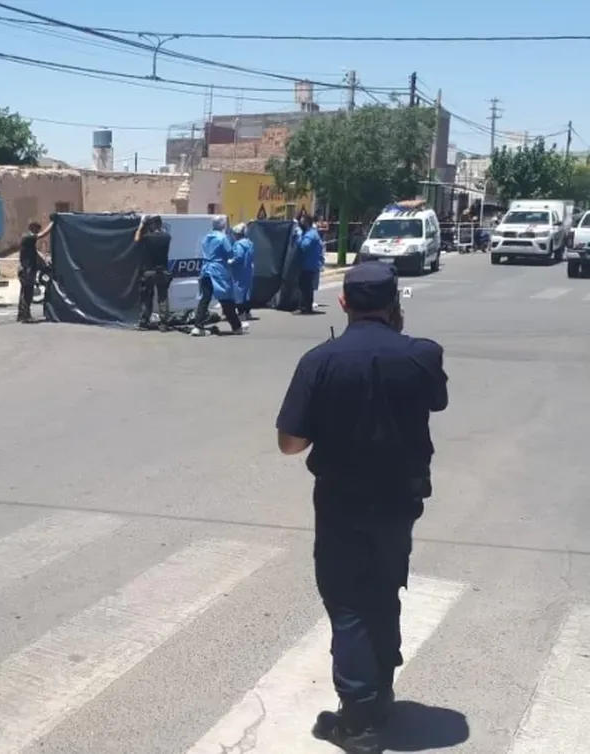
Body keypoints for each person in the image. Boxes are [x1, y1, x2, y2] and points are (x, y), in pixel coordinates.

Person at [274, 262, 448, 754]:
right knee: (384, 590)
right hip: (400, 500)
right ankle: (381, 694)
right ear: (395, 303)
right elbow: (437, 402)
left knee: (348, 604)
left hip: (342, 502)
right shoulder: (422, 355)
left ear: (344, 302)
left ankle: (359, 720)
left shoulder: (319, 361)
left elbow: (290, 443)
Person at [191, 216, 246, 336]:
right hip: (218, 270)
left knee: (204, 299)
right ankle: (236, 326)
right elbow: (230, 253)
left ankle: (198, 326)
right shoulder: (222, 238)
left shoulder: (206, 237)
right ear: (223, 225)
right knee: (225, 298)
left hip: (206, 269)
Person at [135, 215, 173, 331]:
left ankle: (143, 322)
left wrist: (141, 225)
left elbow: (136, 239)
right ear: (160, 225)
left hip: (149, 272)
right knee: (163, 298)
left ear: (152, 225)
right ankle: (164, 323)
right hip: (163, 271)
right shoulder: (167, 237)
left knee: (147, 297)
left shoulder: (147, 237)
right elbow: (165, 233)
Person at [18, 220, 52, 323]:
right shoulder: (28, 237)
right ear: (32, 228)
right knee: (27, 292)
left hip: (27, 269)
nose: (38, 232)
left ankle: (22, 315)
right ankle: (25, 315)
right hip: (26, 269)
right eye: (37, 229)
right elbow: (42, 235)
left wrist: (44, 261)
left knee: (25, 291)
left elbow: (35, 253)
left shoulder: (29, 241)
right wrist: (53, 223)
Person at [296, 213, 324, 314]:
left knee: (306, 287)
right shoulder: (310, 233)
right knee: (305, 286)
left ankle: (305, 307)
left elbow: (304, 246)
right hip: (308, 264)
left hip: (309, 265)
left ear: (307, 223)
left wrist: (298, 236)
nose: (301, 224)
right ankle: (305, 306)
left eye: (302, 222)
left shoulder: (310, 235)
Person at [230, 222, 255, 320]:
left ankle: (241, 314)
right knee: (247, 293)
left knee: (239, 293)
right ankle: (248, 312)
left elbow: (239, 257)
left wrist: (231, 261)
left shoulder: (238, 244)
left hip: (239, 272)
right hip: (248, 271)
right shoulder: (249, 243)